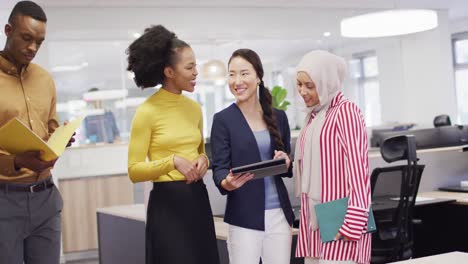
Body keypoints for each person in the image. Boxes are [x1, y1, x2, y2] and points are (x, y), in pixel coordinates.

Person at [126, 25, 219, 264]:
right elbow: (134, 170)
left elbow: (199, 153)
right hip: (167, 206)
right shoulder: (147, 112)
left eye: (196, 66)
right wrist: (172, 161)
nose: (196, 72)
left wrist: (204, 161)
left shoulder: (195, 108)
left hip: (197, 198)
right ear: (169, 71)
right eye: (189, 67)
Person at [0, 1, 74, 263]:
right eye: (26, 38)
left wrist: (61, 138)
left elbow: (50, 126)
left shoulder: (45, 79)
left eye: (39, 42)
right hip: (4, 201)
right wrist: (17, 161)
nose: (32, 48)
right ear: (8, 30)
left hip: (46, 199)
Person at [211, 49, 295, 264]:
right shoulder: (223, 120)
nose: (237, 81)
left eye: (244, 73)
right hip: (243, 215)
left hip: (279, 215)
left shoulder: (279, 117)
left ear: (258, 77)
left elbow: (287, 164)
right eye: (231, 74)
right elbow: (219, 167)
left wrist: (286, 161)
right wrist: (227, 182)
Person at [293, 50, 371, 264]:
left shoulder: (346, 111)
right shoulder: (314, 116)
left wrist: (354, 222)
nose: (302, 91)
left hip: (341, 219)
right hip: (315, 220)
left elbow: (359, 170)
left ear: (327, 82)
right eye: (299, 84)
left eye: (310, 85)